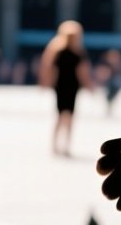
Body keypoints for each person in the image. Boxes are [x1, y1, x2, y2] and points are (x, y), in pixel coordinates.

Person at [38, 20, 90, 157]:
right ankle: (65, 145)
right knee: (69, 116)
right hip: (71, 86)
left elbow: (48, 68)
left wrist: (45, 83)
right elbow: (82, 72)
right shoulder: (78, 53)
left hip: (60, 86)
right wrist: (88, 85)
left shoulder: (56, 51)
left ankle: (55, 145)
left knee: (60, 115)